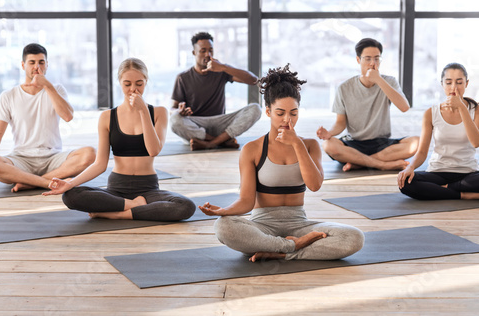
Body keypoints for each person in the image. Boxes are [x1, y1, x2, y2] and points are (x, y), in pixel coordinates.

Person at [199, 64, 364, 262]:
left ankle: (279, 252)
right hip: (262, 227)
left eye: (293, 113)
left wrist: (296, 143)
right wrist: (224, 211)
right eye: (280, 113)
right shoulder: (252, 149)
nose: (288, 120)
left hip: (300, 225)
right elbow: (246, 201)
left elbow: (314, 185)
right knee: (223, 226)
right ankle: (293, 246)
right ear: (268, 112)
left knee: (353, 238)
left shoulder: (309, 145)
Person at [43, 58, 196, 221]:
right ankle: (134, 207)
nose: (133, 89)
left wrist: (143, 110)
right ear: (120, 83)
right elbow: (100, 164)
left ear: (146, 82)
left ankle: (119, 214)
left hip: (148, 189)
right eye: (127, 84)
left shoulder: (159, 113)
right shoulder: (107, 117)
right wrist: (70, 183)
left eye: (139, 83)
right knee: (71, 196)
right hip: (117, 189)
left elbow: (154, 150)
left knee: (186, 206)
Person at [0, 43, 95, 192]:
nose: (36, 67)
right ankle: (47, 183)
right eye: (32, 62)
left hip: (53, 157)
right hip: (21, 159)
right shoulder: (8, 95)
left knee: (90, 153)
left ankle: (30, 182)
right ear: (23, 65)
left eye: (41, 62)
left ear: (47, 65)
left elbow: (68, 116)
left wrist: (47, 85)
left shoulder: (56, 89)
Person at [317, 38, 419, 171]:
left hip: (382, 143)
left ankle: (357, 163)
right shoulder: (344, 88)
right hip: (354, 143)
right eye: (368, 59)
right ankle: (382, 164)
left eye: (377, 58)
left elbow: (404, 107)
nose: (373, 63)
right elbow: (340, 122)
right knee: (328, 145)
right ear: (358, 60)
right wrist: (329, 133)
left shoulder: (389, 81)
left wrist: (378, 80)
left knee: (416, 142)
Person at [398, 63, 479, 200]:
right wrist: (410, 167)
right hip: (438, 172)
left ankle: (445, 189)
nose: (454, 87)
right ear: (442, 84)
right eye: (448, 82)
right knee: (406, 182)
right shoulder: (431, 113)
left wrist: (462, 108)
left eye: (459, 82)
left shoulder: (475, 110)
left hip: (468, 173)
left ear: (466, 83)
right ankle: (463, 195)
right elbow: (422, 152)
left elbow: (476, 142)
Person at [170, 31, 262, 150]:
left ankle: (210, 143)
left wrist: (224, 67)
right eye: (203, 51)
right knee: (174, 120)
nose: (207, 54)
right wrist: (179, 111)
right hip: (196, 124)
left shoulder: (221, 71)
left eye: (211, 50)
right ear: (194, 53)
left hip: (220, 123)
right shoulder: (182, 78)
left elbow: (253, 80)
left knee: (255, 109)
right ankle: (222, 141)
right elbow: (172, 109)